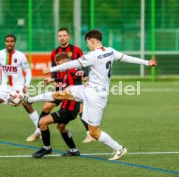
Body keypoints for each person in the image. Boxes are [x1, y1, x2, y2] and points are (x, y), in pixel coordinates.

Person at [24, 29, 158, 160]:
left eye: (87, 42)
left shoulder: (93, 56)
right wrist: (146, 62)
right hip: (89, 89)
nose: (87, 45)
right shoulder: (110, 51)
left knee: (94, 132)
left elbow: (72, 63)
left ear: (92, 41)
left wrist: (51, 68)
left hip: (96, 96)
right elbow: (126, 58)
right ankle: (29, 99)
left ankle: (119, 149)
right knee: (63, 93)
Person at [32, 27, 95, 143]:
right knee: (46, 107)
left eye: (64, 35)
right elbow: (54, 70)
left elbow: (84, 66)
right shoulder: (54, 53)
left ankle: (89, 134)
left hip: (74, 86)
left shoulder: (76, 50)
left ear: (68, 37)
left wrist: (85, 76)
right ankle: (38, 131)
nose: (62, 37)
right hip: (61, 84)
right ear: (58, 37)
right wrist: (53, 79)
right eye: (60, 36)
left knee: (81, 109)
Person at [0, 34, 41, 140]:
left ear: (14, 43)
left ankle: (40, 130)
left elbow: (28, 72)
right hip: (4, 86)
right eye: (7, 41)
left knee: (27, 105)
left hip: (19, 86)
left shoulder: (21, 56)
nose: (9, 43)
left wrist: (26, 86)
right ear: (5, 42)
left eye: (11, 41)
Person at [30, 52, 82, 158]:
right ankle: (74, 150)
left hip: (70, 108)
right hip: (66, 106)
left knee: (42, 122)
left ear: (64, 62)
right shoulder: (66, 72)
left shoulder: (72, 69)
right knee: (61, 127)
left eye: (58, 64)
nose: (57, 67)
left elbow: (81, 72)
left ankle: (47, 148)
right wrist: (53, 80)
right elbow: (64, 81)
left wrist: (84, 74)